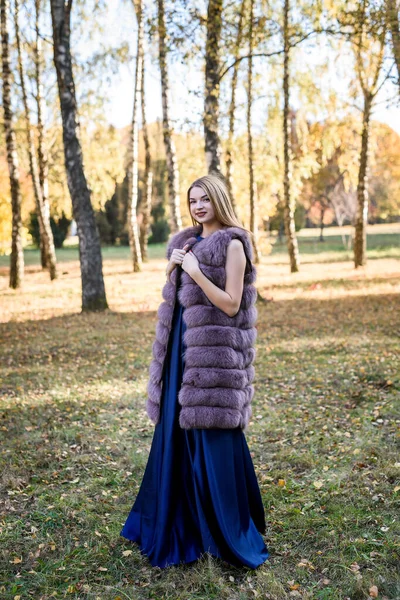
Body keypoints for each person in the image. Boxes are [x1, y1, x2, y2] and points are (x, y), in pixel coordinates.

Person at [120, 174, 269, 569]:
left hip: (213, 359)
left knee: (211, 440)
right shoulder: (187, 243)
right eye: (192, 201)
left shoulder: (233, 243)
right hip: (180, 353)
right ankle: (178, 523)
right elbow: (179, 302)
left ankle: (222, 531)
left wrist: (197, 271)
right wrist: (176, 268)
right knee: (173, 435)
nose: (199, 206)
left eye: (205, 199)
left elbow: (232, 305)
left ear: (219, 199)